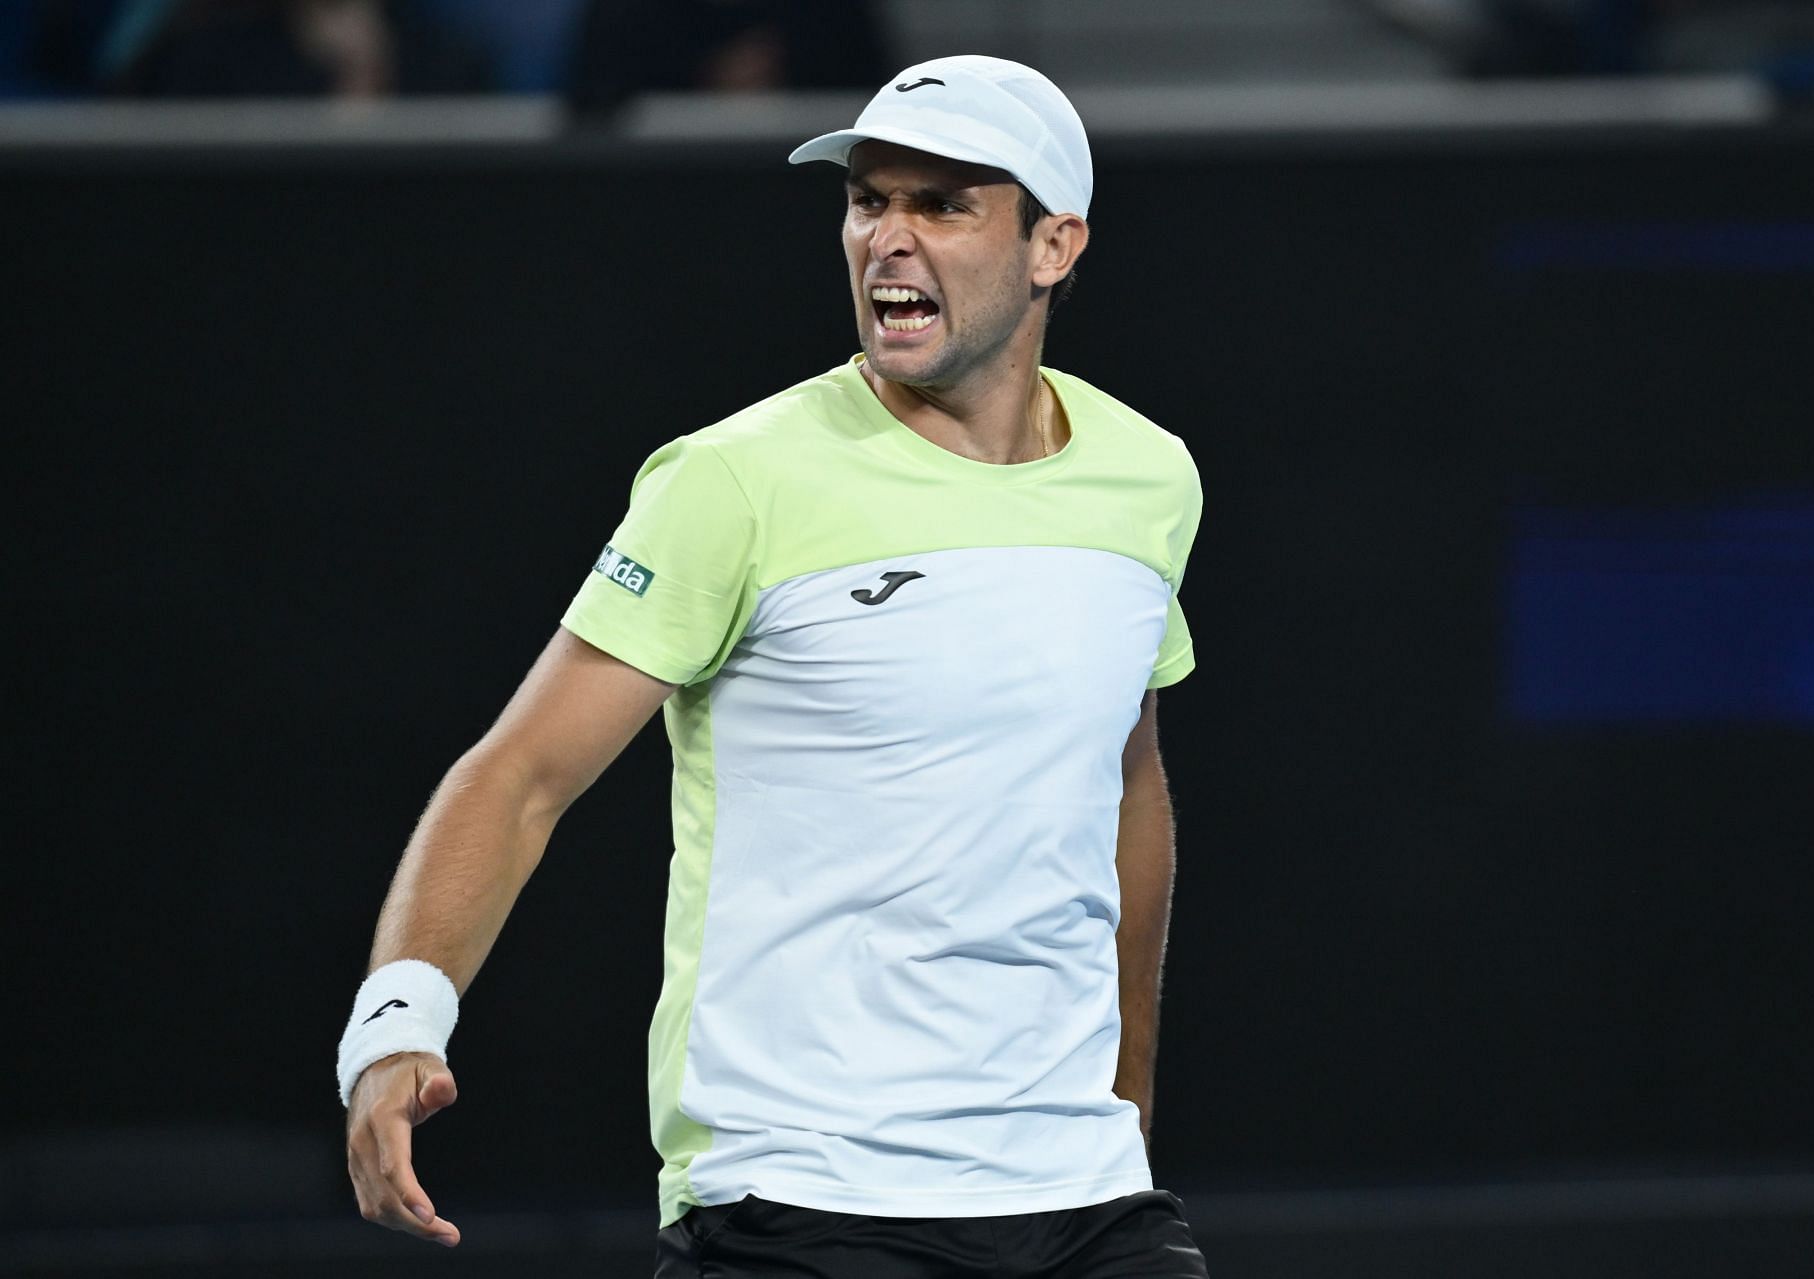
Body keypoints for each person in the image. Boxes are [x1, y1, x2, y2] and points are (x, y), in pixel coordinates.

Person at [338, 53, 1208, 1278]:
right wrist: (392, 1028)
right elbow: (521, 773)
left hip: (1086, 1197)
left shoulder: (1149, 477)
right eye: (869, 201)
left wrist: (1125, 1100)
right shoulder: (731, 480)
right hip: (797, 1200)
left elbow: (1125, 785)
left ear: (1052, 246)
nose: (888, 240)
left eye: (943, 205)